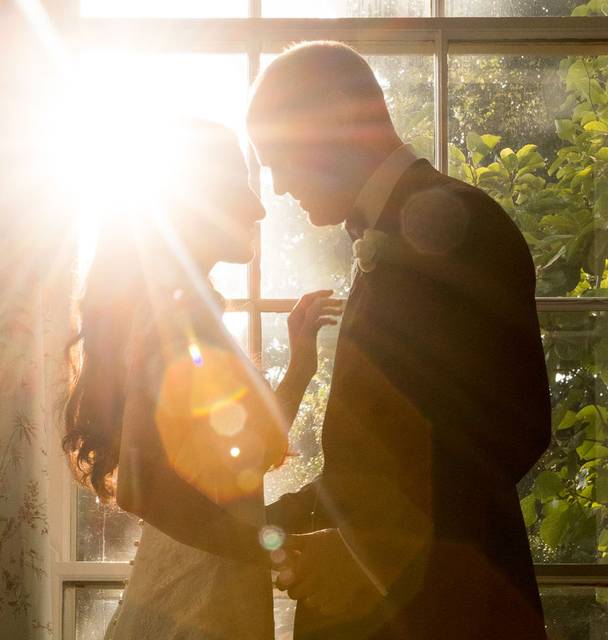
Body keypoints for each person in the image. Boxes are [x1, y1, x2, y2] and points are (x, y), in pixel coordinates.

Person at [247, 42, 552, 639]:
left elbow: (510, 432)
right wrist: (258, 523)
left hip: (444, 611)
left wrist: (370, 553)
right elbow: (379, 453)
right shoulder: (388, 235)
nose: (279, 185)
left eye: (279, 157)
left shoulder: (457, 225)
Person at [62, 119, 342, 639]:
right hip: (194, 608)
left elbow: (243, 460)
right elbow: (143, 491)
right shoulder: (177, 313)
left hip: (206, 592)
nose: (258, 209)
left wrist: (302, 364)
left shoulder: (186, 308)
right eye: (239, 190)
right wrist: (272, 542)